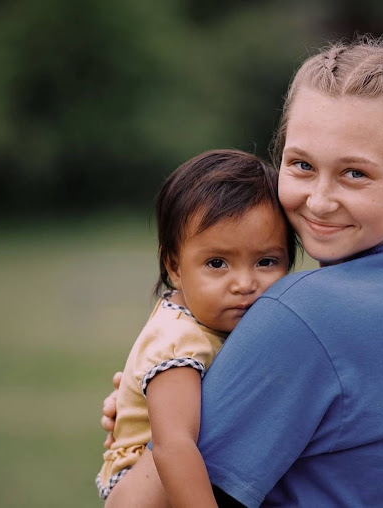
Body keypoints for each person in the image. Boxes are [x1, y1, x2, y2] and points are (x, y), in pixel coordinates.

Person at [101, 36, 383, 507]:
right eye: (302, 165)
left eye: (354, 174)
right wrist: (174, 395)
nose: (320, 201)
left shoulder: (305, 312)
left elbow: (132, 504)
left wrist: (148, 438)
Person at [96, 149, 297, 506]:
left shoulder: (212, 318)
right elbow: (173, 446)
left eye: (266, 261)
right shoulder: (178, 342)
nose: (244, 283)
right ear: (174, 266)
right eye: (217, 263)